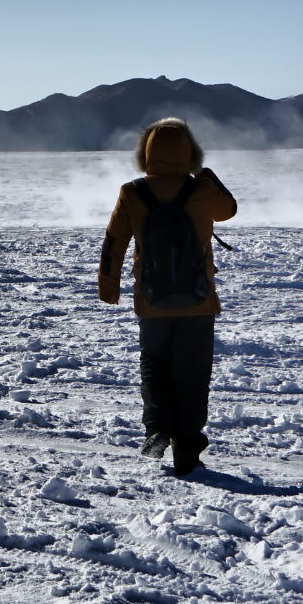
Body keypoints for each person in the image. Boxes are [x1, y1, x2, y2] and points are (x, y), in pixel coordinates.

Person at [97, 117, 236, 478]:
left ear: (146, 153)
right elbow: (229, 210)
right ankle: (187, 447)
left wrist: (108, 288)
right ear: (190, 153)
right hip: (198, 300)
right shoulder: (201, 189)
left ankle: (157, 429)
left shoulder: (133, 191)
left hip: (153, 300)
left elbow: (114, 243)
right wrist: (206, 176)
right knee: (192, 374)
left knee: (155, 365)